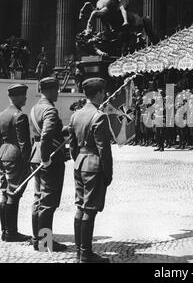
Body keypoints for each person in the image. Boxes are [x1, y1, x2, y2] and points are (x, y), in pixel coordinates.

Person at [69, 78, 112, 263]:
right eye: (103, 92)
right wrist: (108, 173)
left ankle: (79, 251)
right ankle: (86, 254)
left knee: (80, 207)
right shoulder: (99, 116)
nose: (105, 95)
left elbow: (72, 147)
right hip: (93, 166)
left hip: (79, 164)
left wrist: (79, 159)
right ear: (99, 93)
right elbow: (104, 149)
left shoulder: (75, 115)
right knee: (90, 209)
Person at [30, 77, 67, 252]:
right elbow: (46, 135)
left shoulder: (35, 107)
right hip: (49, 159)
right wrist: (46, 158)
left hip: (35, 155)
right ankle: (45, 243)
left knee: (38, 198)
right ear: (50, 90)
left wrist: (64, 130)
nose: (58, 92)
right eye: (57, 89)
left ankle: (37, 238)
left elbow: (45, 133)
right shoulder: (50, 110)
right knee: (48, 202)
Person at [0, 84, 32, 242]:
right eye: (23, 95)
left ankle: (5, 231)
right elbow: (24, 143)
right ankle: (12, 232)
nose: (25, 98)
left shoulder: (2, 114)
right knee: (14, 193)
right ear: (17, 97)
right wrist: (28, 163)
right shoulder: (20, 115)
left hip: (3, 154)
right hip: (15, 156)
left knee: (5, 192)